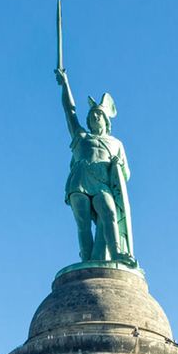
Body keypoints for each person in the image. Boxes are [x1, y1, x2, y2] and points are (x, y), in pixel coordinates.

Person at [55, 67, 132, 263]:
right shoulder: (81, 137)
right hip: (79, 181)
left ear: (106, 120)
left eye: (98, 115)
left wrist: (119, 166)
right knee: (82, 223)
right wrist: (65, 84)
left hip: (102, 183)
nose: (95, 117)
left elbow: (126, 175)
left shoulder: (116, 143)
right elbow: (69, 111)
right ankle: (87, 259)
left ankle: (115, 254)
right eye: (92, 116)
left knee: (108, 211)